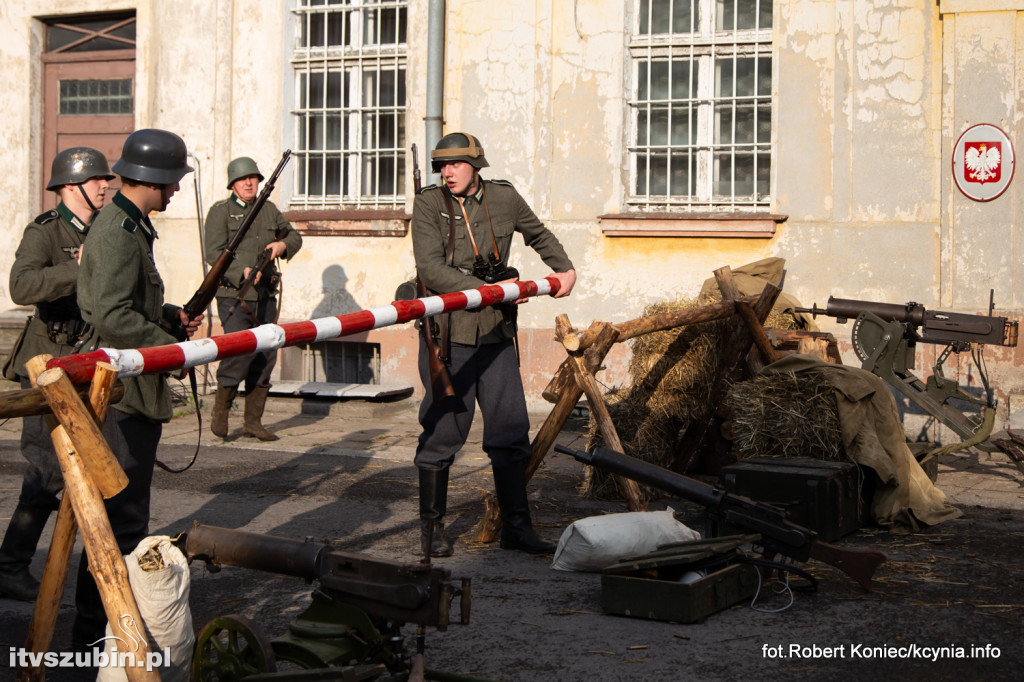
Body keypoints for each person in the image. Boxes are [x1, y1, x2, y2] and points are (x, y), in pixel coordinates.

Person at [411, 132, 577, 557]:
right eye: (441, 166)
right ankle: (431, 532)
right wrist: (491, 289)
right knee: (443, 433)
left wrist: (565, 269)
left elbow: (538, 234)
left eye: (456, 164)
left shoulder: (503, 198)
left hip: (496, 334)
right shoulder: (430, 204)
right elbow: (430, 268)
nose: (447, 172)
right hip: (450, 336)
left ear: (477, 165)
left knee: (509, 433)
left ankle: (517, 530)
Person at [74, 128, 202, 646]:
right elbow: (109, 312)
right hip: (120, 396)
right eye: (171, 183)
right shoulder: (116, 231)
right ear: (152, 179)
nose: (174, 191)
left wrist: (168, 317)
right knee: (116, 525)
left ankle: (108, 629)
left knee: (125, 517)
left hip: (131, 388)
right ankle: (94, 637)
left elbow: (133, 303)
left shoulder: (133, 225)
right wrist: (169, 351)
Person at [0, 148, 114, 602]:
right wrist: (78, 266)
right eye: (96, 180)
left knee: (92, 464)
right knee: (47, 468)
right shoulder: (45, 231)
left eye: (107, 179)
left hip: (91, 360)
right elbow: (22, 286)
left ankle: (94, 560)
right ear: (70, 187)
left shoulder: (107, 229)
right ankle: (10, 565)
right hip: (47, 360)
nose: (106, 186)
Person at [204, 156, 302, 441]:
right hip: (234, 296)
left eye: (253, 178)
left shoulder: (269, 210)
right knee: (239, 351)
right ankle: (221, 412)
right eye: (242, 179)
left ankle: (253, 423)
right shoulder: (220, 212)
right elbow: (213, 252)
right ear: (232, 184)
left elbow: (294, 237)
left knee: (266, 355)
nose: (249, 183)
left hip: (265, 295)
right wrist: (240, 271)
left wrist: (282, 245)